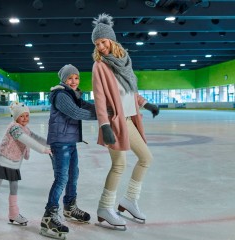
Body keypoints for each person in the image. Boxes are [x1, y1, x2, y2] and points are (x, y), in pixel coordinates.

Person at [90, 13, 160, 229]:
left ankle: (129, 200)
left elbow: (130, 93)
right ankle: (105, 207)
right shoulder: (100, 67)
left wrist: (146, 104)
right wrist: (104, 124)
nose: (101, 47)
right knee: (119, 164)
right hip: (114, 121)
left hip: (130, 119)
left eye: (103, 41)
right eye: (97, 43)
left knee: (145, 158)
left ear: (112, 40)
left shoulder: (124, 63)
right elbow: (100, 98)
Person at [0, 102, 52, 233]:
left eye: (27, 115)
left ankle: (13, 214)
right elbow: (26, 140)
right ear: (15, 117)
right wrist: (43, 150)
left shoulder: (25, 129)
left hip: (14, 163)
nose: (25, 118)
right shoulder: (14, 128)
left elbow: (35, 137)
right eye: (22, 116)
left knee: (14, 188)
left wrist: (51, 143)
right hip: (3, 161)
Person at [40, 64, 97, 239]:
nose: (74, 81)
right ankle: (48, 217)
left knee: (73, 175)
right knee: (62, 178)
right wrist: (102, 115)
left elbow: (87, 106)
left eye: (76, 78)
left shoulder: (74, 95)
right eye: (70, 78)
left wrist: (107, 110)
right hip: (60, 143)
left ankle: (69, 207)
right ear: (63, 80)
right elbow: (75, 112)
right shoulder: (61, 94)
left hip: (70, 142)